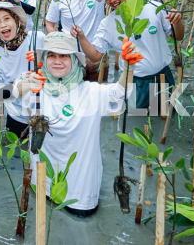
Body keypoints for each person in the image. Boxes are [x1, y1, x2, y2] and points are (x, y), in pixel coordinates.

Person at [12, 31, 134, 217]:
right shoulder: (36, 87)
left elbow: (120, 93)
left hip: (80, 187)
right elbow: (10, 92)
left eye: (64, 56)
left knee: (81, 223)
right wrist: (27, 82)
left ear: (75, 61)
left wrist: (129, 68)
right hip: (42, 179)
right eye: (51, 55)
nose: (57, 61)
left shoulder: (92, 92)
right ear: (44, 60)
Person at [72, 0, 184, 111]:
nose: (112, 0)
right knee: (135, 122)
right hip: (134, 81)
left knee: (167, 120)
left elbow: (178, 36)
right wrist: (81, 37)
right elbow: (95, 56)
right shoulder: (107, 24)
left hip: (163, 77)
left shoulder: (154, 7)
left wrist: (177, 22)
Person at [0, 1, 45, 138]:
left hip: (46, 112)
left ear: (16, 21)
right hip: (18, 116)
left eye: (7, 18)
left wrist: (41, 63)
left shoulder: (37, 39)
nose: (3, 24)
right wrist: (20, 85)